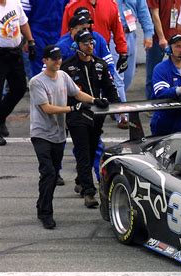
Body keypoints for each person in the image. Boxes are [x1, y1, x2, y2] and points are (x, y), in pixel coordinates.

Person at [29, 45, 97, 229]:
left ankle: (41, 204)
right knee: (49, 172)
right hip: (41, 134)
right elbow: (47, 108)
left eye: (59, 57)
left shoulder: (63, 76)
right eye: (53, 58)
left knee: (48, 175)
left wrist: (94, 100)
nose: (58, 61)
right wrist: (72, 108)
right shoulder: (36, 82)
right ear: (45, 61)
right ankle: (46, 213)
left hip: (58, 135)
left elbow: (76, 92)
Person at [61, 30, 120, 208]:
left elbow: (110, 88)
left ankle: (80, 180)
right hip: (77, 114)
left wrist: (118, 109)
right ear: (77, 45)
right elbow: (62, 94)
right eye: (85, 43)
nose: (90, 46)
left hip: (97, 115)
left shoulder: (100, 65)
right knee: (83, 150)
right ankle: (89, 191)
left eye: (92, 42)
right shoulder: (67, 67)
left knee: (92, 148)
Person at [61, 1, 129, 128]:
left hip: (95, 85)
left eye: (88, 27)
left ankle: (121, 115)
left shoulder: (98, 38)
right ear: (73, 29)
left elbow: (108, 66)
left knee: (114, 84)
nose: (87, 31)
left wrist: (122, 52)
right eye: (83, 28)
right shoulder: (63, 45)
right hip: (75, 92)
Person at [0, 0, 35, 146]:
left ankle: (0, 117)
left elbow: (23, 22)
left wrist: (31, 41)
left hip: (14, 53)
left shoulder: (15, 2)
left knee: (19, 88)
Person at [145, 0, 181, 99]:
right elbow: (155, 15)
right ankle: (150, 104)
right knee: (153, 73)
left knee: (175, 72)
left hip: (175, 38)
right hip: (159, 40)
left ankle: (171, 101)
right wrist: (161, 37)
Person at [20, 0, 68, 77]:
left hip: (58, 35)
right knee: (37, 72)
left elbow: (68, 10)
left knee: (57, 68)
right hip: (36, 36)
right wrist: (27, 39)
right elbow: (22, 18)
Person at [115, 0, 154, 92]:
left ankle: (118, 98)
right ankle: (118, 101)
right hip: (114, 36)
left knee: (128, 74)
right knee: (117, 76)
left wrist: (148, 33)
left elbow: (143, 11)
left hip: (130, 34)